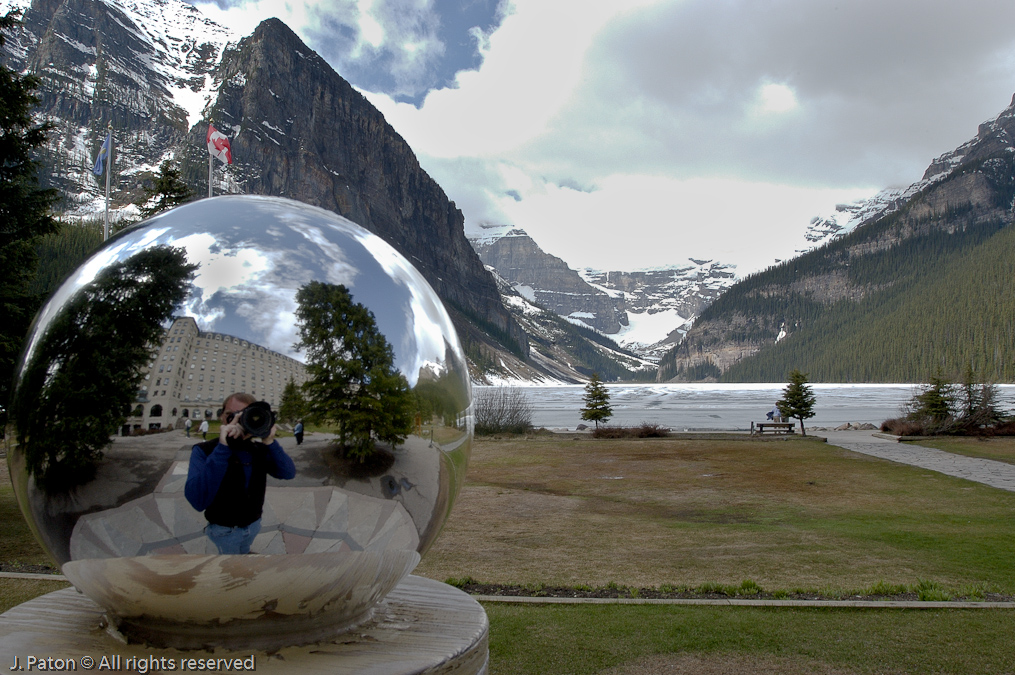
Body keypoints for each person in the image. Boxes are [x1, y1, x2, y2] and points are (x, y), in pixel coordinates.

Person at [184, 393, 296, 554]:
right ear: (222, 417)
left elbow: (288, 473)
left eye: (243, 416)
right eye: (230, 415)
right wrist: (223, 447)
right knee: (230, 568)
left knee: (244, 551)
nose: (236, 421)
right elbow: (197, 500)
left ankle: (244, 553)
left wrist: (269, 441)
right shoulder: (204, 451)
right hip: (224, 530)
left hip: (254, 524)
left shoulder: (257, 450)